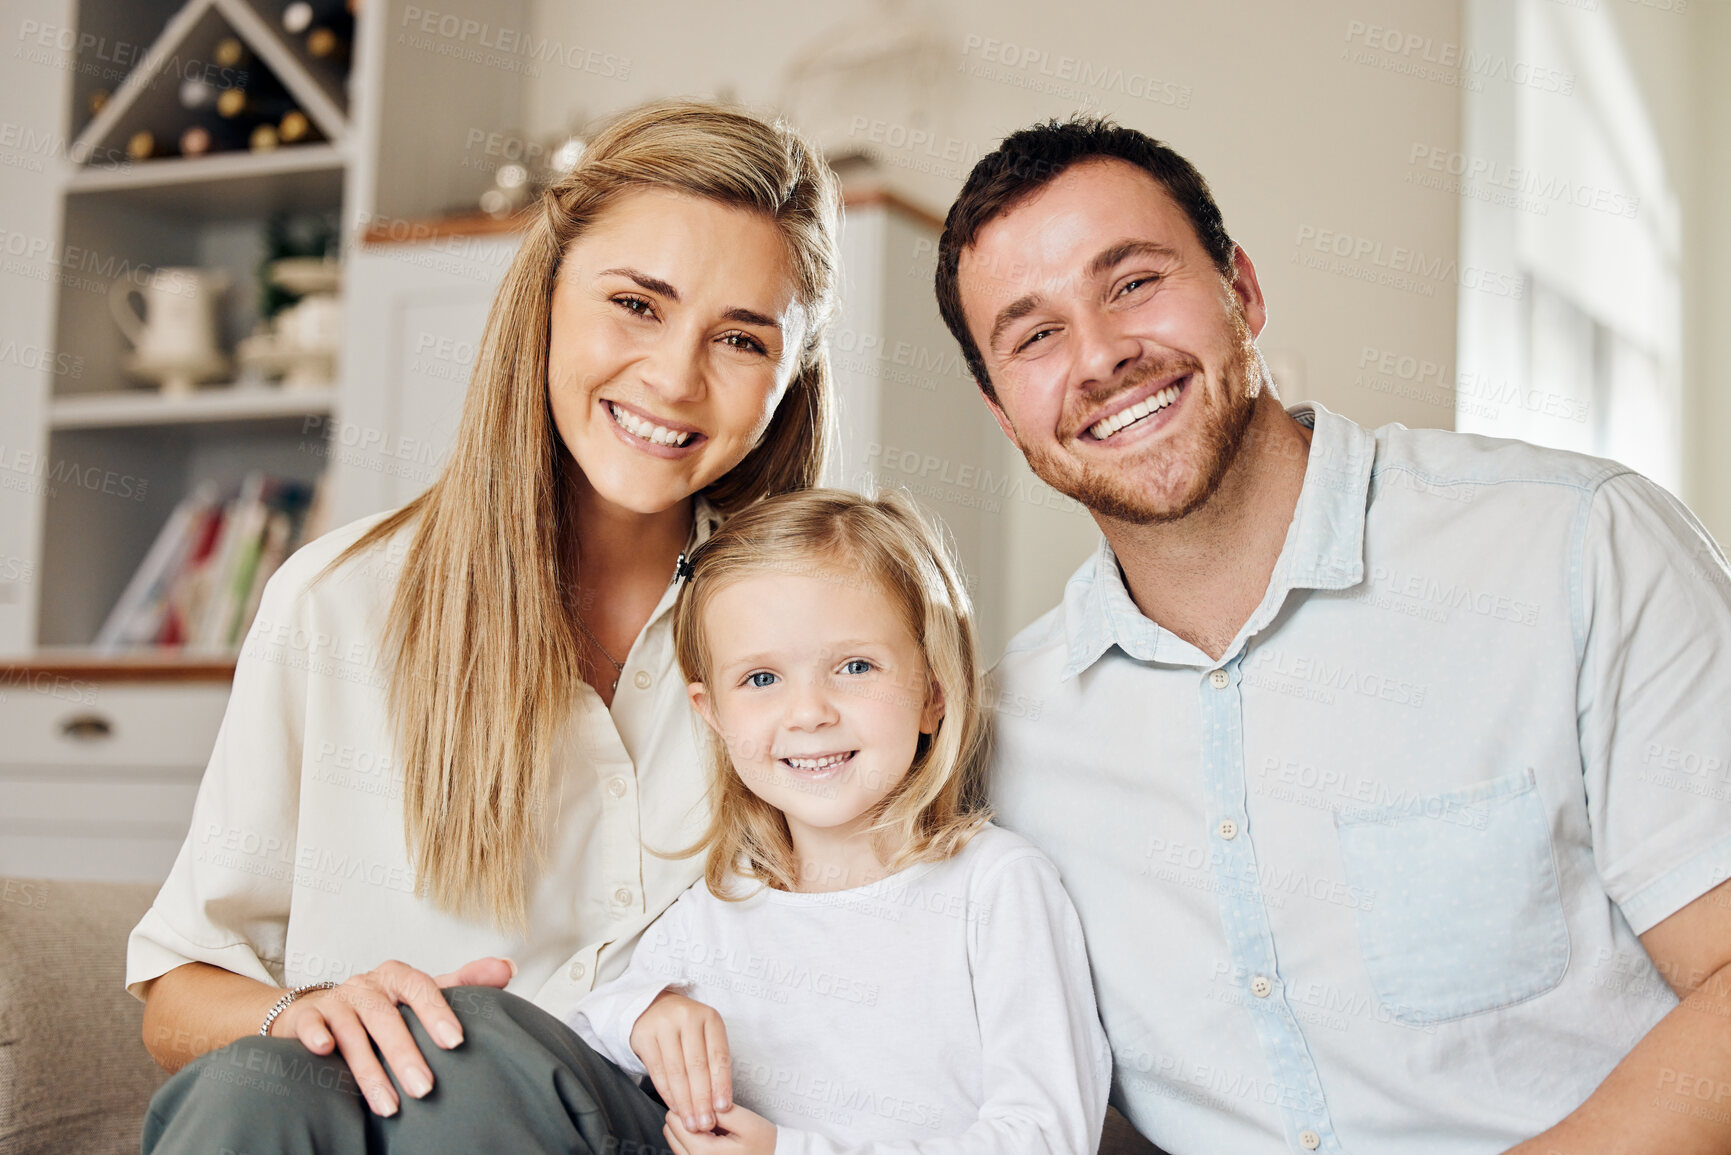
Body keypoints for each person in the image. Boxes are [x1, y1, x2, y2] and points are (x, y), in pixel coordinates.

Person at [933, 116, 1731, 1155]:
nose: (1100, 358)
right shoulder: (998, 738)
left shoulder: (1577, 547)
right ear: (1004, 414)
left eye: (1132, 282)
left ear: (1243, 292)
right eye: (1034, 335)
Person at [131, 99, 842, 1148]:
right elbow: (182, 986)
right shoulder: (335, 602)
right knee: (255, 1090)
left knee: (474, 1046)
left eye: (741, 339)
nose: (675, 378)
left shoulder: (829, 639)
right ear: (547, 299)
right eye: (638, 306)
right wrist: (304, 1012)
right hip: (392, 1126)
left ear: (789, 383)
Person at [573, 488, 1110, 1154]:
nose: (809, 712)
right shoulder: (715, 909)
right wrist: (643, 1011)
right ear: (712, 714)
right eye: (762, 678)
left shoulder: (996, 888)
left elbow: (1046, 1135)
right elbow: (581, 1043)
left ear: (933, 692)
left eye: (854, 666)